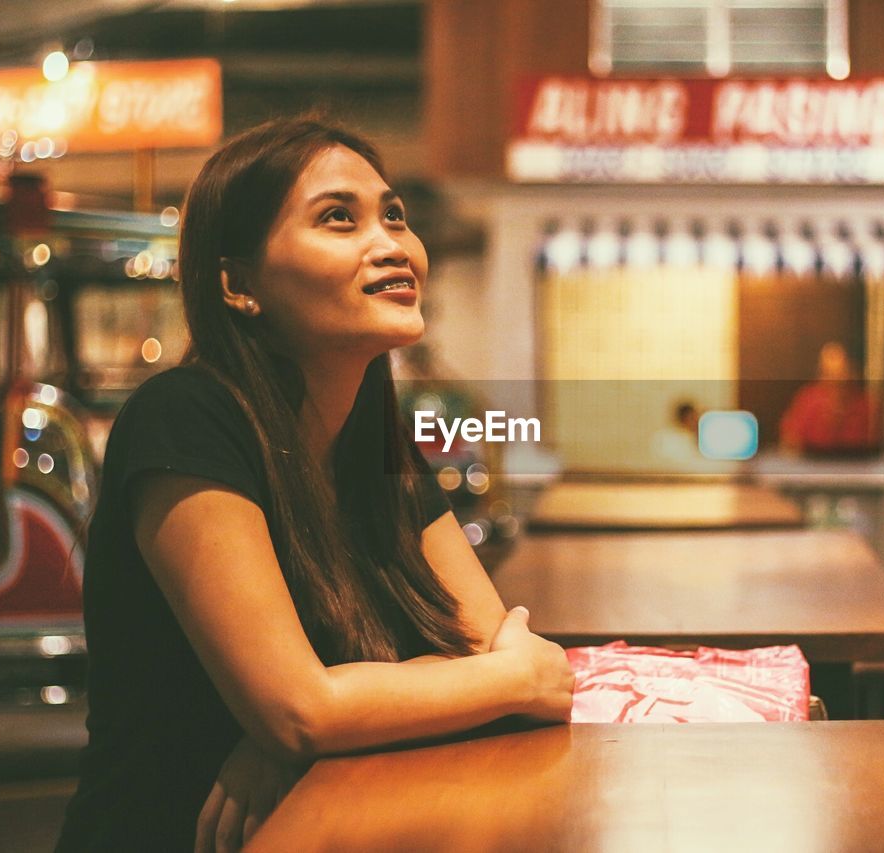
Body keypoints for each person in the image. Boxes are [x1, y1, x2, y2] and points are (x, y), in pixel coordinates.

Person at [56, 118, 573, 852]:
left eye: (394, 214)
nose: (392, 242)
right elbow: (307, 706)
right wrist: (312, 719)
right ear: (238, 284)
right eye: (340, 218)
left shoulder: (381, 448)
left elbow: (479, 649)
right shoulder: (186, 420)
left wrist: (317, 726)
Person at [778, 341, 880, 455]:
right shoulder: (808, 399)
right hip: (814, 468)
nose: (836, 380)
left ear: (852, 373)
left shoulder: (867, 405)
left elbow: (876, 443)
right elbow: (790, 439)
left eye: (841, 374)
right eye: (829, 374)